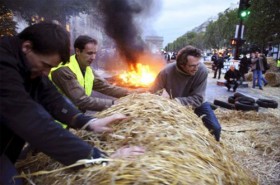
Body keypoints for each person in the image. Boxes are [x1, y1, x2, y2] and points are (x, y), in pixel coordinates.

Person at [0, 22, 144, 185]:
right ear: (27, 47)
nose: (46, 73)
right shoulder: (3, 67)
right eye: (46, 66)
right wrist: (99, 159)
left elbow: (50, 96)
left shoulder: (26, 65)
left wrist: (90, 122)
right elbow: (31, 120)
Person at [149, 45, 221, 142]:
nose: (196, 68)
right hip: (172, 106)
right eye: (192, 66)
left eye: (197, 64)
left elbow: (198, 98)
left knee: (215, 128)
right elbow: (153, 92)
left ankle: (214, 151)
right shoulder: (165, 72)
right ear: (182, 64)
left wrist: (175, 101)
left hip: (197, 104)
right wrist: (162, 101)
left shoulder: (202, 70)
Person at [50, 35, 134, 112]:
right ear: (78, 51)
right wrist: (115, 104)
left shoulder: (87, 69)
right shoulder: (64, 70)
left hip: (71, 118)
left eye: (95, 53)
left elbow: (105, 87)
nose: (93, 57)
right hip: (55, 122)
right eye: (89, 53)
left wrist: (131, 93)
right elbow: (81, 100)